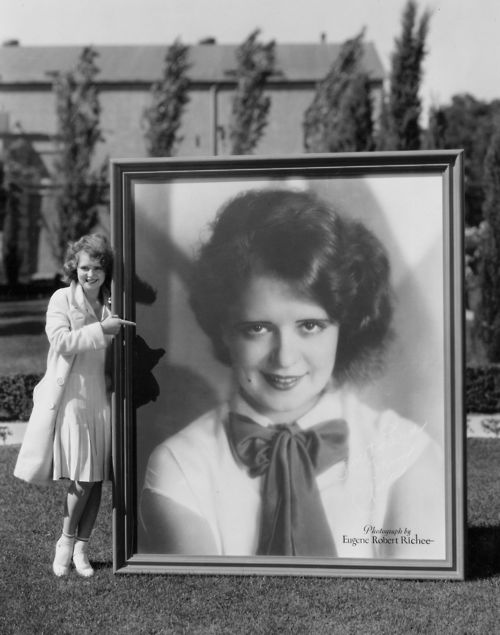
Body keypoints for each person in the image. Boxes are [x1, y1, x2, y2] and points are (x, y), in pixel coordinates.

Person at [139, 188, 445, 560]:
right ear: (223, 329)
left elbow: (413, 608)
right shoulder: (179, 466)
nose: (285, 358)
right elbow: (206, 607)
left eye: (311, 326)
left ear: (342, 327)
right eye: (257, 328)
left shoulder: (409, 455)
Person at [14, 234, 134, 577]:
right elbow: (61, 341)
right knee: (82, 476)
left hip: (103, 399)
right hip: (72, 401)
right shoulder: (61, 299)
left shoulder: (114, 302)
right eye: (84, 267)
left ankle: (83, 549)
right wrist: (102, 329)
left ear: (105, 270)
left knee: (97, 479)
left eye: (97, 267)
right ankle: (64, 543)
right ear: (74, 268)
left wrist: (107, 323)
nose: (90, 274)